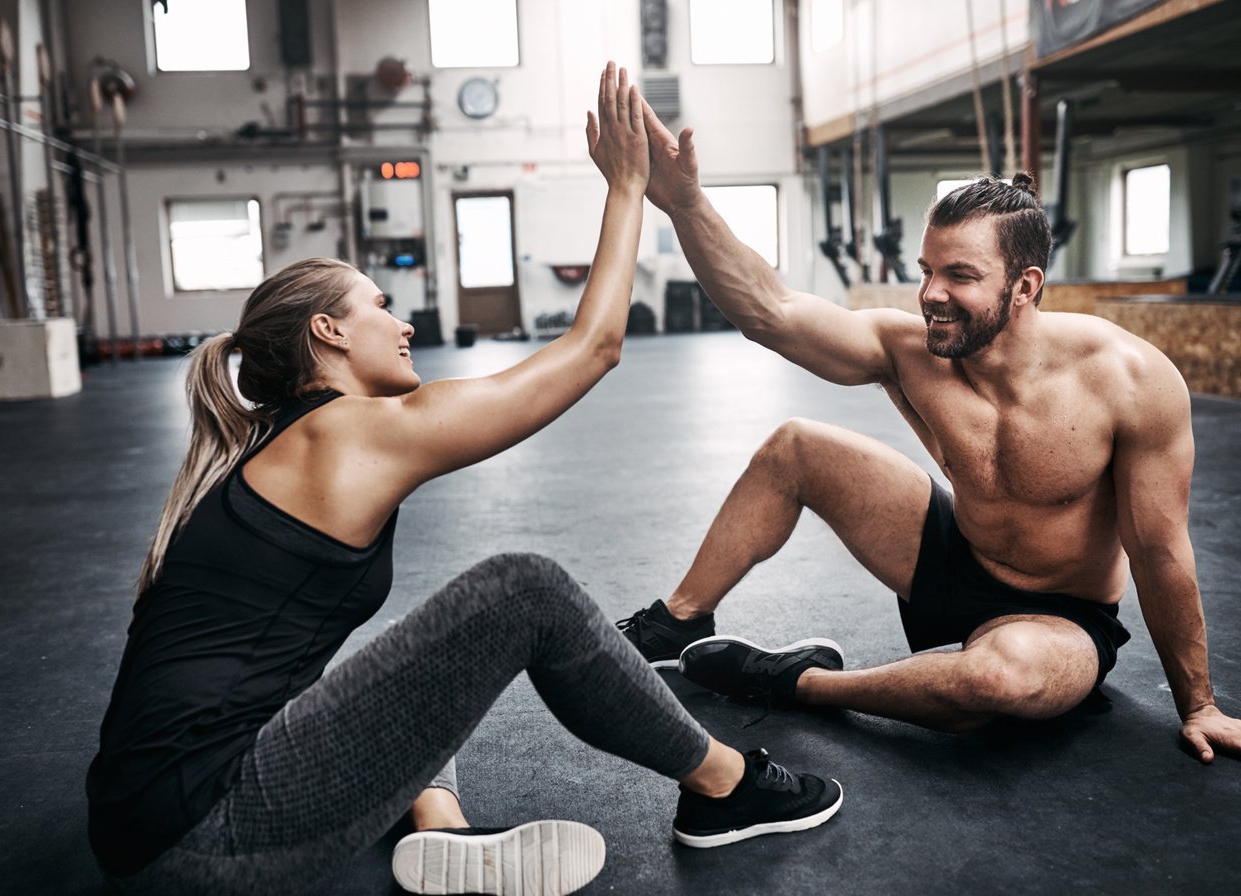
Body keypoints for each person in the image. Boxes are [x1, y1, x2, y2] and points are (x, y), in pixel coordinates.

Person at [85, 64, 843, 896]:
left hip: (150, 823)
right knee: (524, 590)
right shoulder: (344, 434)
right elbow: (591, 349)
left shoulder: (276, 444)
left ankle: (442, 832)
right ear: (329, 331)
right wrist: (630, 189)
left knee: (417, 642)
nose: (403, 320)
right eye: (379, 304)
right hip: (204, 835)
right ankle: (727, 789)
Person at [616, 99, 1241, 776]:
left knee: (998, 682)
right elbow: (771, 311)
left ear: (1024, 287)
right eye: (926, 271)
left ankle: (795, 681)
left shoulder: (1129, 381)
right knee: (797, 445)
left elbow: (1161, 549)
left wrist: (1199, 705)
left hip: (1059, 616)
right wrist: (683, 204)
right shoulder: (911, 349)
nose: (931, 294)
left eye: (960, 276)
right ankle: (679, 620)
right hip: (949, 555)